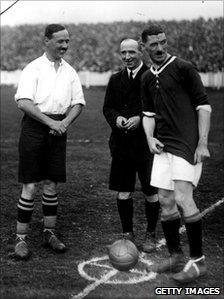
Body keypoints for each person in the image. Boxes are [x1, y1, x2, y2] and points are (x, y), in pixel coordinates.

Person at [141, 24, 211, 283]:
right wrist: (149, 138)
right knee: (165, 200)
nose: (159, 48)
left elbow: (204, 107)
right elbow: (147, 115)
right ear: (144, 48)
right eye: (153, 45)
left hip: (186, 144)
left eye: (163, 42)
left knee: (183, 198)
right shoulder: (147, 77)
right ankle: (175, 256)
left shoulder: (184, 68)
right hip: (162, 147)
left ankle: (198, 263)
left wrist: (202, 143)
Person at [13, 24, 86, 260]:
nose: (65, 45)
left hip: (59, 128)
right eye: (60, 41)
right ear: (46, 41)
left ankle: (49, 233)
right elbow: (24, 102)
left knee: (52, 185)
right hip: (35, 128)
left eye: (67, 41)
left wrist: (64, 122)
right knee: (30, 185)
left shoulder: (70, 71)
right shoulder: (33, 68)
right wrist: (51, 123)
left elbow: (78, 103)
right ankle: (21, 239)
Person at [103, 38, 159, 252]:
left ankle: (151, 234)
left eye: (132, 52)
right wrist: (116, 119)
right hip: (122, 145)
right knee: (123, 192)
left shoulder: (152, 77)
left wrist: (139, 119)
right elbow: (107, 108)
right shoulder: (115, 79)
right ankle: (127, 233)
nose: (127, 57)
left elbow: (159, 109)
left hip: (146, 146)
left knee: (150, 192)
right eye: (123, 52)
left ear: (141, 51)